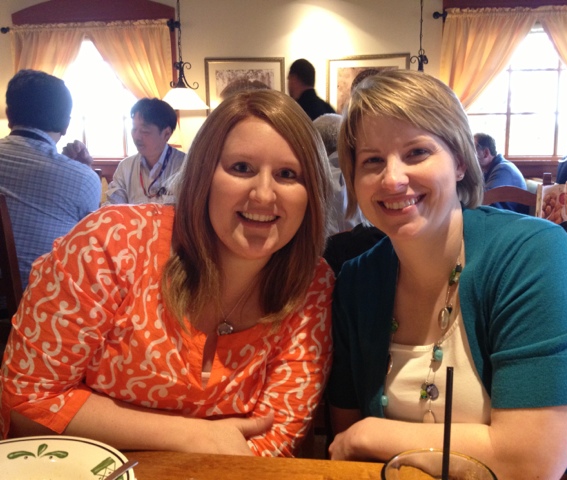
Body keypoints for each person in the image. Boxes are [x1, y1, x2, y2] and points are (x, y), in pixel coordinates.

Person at [0, 90, 334, 457]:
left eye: (288, 174)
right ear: (203, 174)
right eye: (241, 168)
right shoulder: (108, 243)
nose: (264, 195)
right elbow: (25, 403)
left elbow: (275, 437)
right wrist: (192, 436)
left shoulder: (311, 284)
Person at [326, 70, 567, 478]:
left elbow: (530, 463)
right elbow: (346, 449)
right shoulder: (355, 282)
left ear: (459, 161)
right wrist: (357, 439)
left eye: (416, 152)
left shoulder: (535, 256)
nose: (393, 178)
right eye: (372, 160)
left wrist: (369, 434)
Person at [0, 69, 101, 290]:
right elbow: (92, 244)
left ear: (9, 115)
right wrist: (82, 170)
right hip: (43, 300)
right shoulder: (83, 178)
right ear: (65, 124)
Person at [104, 98, 186, 205]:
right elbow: (114, 207)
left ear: (166, 134)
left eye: (144, 131)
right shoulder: (125, 167)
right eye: (134, 129)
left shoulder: (186, 166)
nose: (137, 136)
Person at [474, 133, 528, 214]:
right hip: (500, 216)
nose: (468, 156)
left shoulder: (503, 169)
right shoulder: (491, 169)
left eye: (472, 152)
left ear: (485, 153)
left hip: (512, 220)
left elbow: (484, 199)